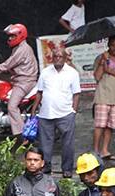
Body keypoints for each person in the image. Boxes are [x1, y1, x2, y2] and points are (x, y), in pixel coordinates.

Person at [0, 24, 38, 138]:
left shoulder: (22, 49)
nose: (10, 38)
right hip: (20, 80)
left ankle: (21, 135)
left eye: (13, 36)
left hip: (24, 82)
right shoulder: (19, 47)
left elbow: (6, 65)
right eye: (9, 36)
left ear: (20, 35)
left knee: (12, 106)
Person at [31, 44, 81, 178]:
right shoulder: (45, 72)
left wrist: (73, 112)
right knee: (45, 144)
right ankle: (46, 168)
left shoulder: (72, 73)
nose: (57, 58)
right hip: (45, 114)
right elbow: (40, 92)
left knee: (67, 144)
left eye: (60, 56)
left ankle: (67, 169)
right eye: (55, 56)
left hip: (65, 114)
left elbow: (76, 94)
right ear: (51, 58)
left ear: (65, 58)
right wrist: (34, 109)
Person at [92, 36, 115, 159]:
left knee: (110, 126)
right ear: (108, 44)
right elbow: (97, 77)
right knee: (100, 125)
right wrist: (103, 63)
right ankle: (96, 151)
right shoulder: (100, 58)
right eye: (112, 45)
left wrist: (109, 70)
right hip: (102, 96)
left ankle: (105, 150)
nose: (114, 48)